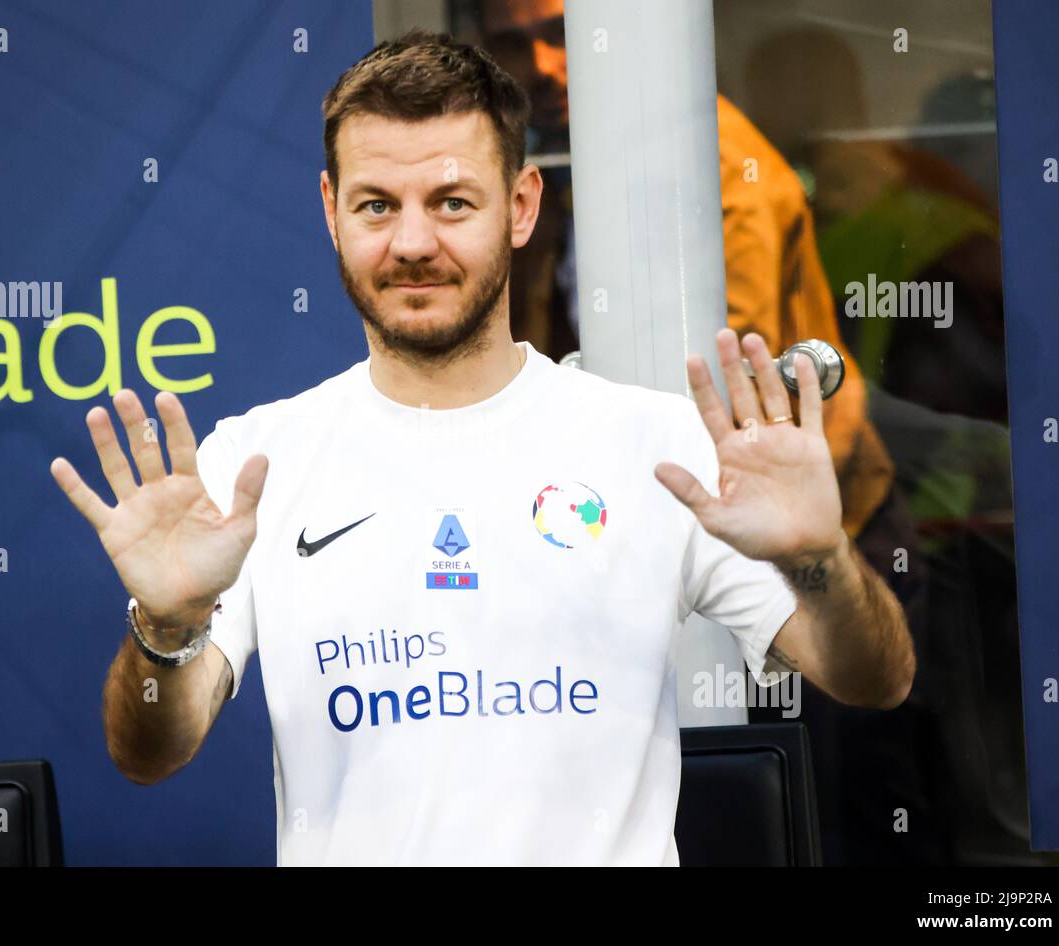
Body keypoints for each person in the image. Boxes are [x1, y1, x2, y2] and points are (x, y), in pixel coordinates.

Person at [49, 30, 914, 866]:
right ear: (330, 210)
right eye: (377, 205)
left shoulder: (654, 444)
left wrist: (822, 561)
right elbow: (151, 751)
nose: (414, 243)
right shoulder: (254, 464)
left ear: (523, 206)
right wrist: (166, 628)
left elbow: (874, 678)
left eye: (453, 202)